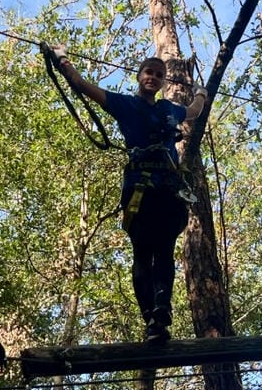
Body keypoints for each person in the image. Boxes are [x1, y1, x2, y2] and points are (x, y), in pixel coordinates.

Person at [51, 45, 207, 343]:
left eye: (159, 75)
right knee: (143, 253)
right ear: (139, 76)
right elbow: (80, 85)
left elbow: (194, 112)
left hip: (169, 189)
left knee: (164, 252)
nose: (154, 78)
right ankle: (150, 317)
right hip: (141, 188)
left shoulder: (167, 109)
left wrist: (200, 92)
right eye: (149, 72)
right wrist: (61, 57)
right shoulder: (125, 105)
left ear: (163, 82)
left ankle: (161, 309)